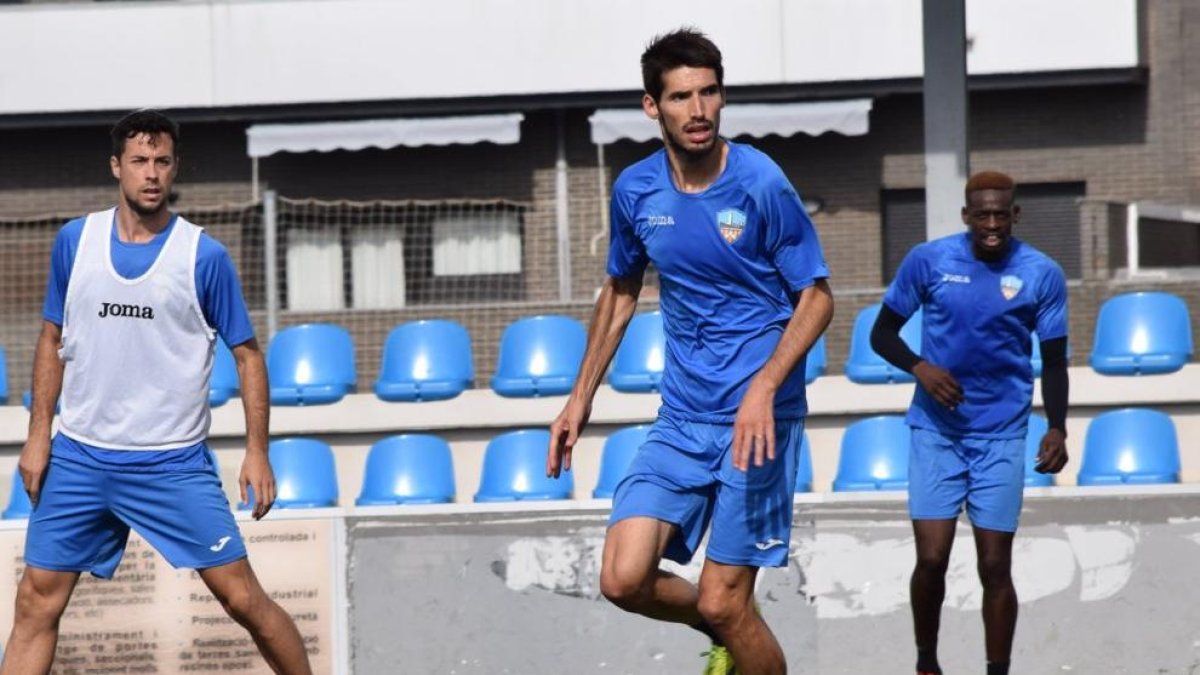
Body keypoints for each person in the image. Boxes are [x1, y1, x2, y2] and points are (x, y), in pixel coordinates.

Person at [546, 29, 833, 675]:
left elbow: (816, 298)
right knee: (623, 579)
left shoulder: (761, 182)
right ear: (652, 106)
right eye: (681, 97)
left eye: (708, 93)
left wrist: (764, 388)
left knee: (726, 599)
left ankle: (726, 620)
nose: (698, 110)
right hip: (682, 418)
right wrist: (579, 396)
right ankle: (721, 626)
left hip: (759, 422)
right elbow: (621, 288)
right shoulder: (636, 190)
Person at [1, 110, 313, 675]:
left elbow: (248, 356)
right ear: (116, 166)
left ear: (174, 168)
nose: (151, 173)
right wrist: (38, 435)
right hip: (79, 457)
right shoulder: (75, 241)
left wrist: (257, 451)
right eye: (140, 161)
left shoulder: (203, 256)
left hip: (170, 463)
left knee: (242, 600)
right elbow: (51, 339)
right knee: (35, 603)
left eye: (162, 162)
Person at [869, 171, 1070, 675]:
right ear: (966, 216)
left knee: (995, 564)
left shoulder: (1042, 273)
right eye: (983, 214)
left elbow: (1054, 361)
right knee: (932, 558)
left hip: (1001, 434)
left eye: (1001, 214)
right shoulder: (929, 261)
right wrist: (920, 368)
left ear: (1015, 214)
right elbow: (882, 334)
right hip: (936, 432)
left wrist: (1057, 427)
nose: (992, 224)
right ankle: (926, 663)